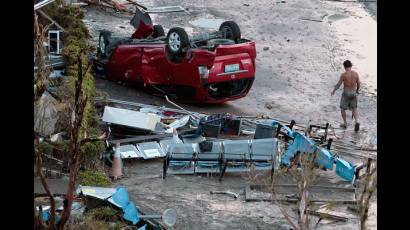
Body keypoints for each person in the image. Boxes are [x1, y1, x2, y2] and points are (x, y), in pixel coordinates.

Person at [331, 60, 361, 131]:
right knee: (354, 108)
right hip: (353, 93)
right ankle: (356, 121)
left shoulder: (344, 75)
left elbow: (338, 84)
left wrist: (333, 91)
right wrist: (357, 90)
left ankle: (345, 123)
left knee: (342, 109)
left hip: (346, 93)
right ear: (351, 66)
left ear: (344, 67)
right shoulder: (356, 74)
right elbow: (359, 83)